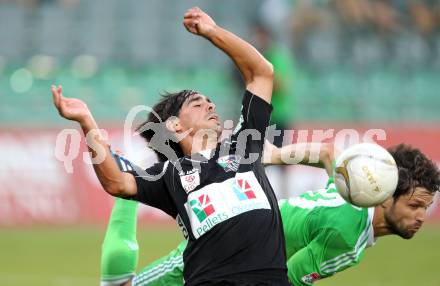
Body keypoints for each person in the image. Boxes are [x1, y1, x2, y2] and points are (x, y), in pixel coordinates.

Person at [53, 6, 291, 286]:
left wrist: (213, 33)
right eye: (197, 103)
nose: (210, 105)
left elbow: (262, 72)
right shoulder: (169, 173)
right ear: (175, 126)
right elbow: (116, 183)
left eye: (209, 101)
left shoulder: (244, 145)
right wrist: (86, 122)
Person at [101, 143, 440, 286]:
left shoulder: (347, 191)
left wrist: (267, 157)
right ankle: (127, 186)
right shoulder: (348, 241)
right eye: (413, 205)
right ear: (383, 198)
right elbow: (287, 278)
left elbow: (325, 153)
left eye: (425, 207)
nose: (421, 217)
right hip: (222, 253)